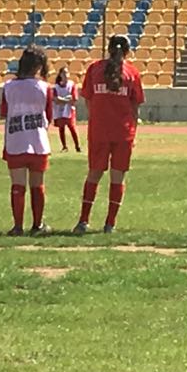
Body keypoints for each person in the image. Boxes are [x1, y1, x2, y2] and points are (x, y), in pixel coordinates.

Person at [75, 35, 145, 235]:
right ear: (128, 51)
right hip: (123, 131)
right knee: (117, 177)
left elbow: (88, 99)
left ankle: (83, 221)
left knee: (94, 174)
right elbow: (135, 105)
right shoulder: (132, 72)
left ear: (108, 49)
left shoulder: (95, 68)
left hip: (99, 130)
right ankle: (110, 224)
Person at [1, 47, 54, 236]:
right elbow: (49, 116)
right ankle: (37, 225)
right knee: (37, 184)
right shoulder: (45, 88)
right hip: (38, 141)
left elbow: (4, 113)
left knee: (17, 184)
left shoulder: (8, 86)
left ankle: (17, 226)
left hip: (16, 139)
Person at [52, 67, 81, 153]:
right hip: (59, 110)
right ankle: (64, 146)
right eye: (63, 73)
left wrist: (62, 100)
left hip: (69, 110)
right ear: (60, 75)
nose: (65, 75)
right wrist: (66, 100)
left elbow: (74, 99)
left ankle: (77, 146)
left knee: (72, 127)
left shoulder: (72, 85)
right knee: (61, 128)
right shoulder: (56, 87)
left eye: (67, 73)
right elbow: (55, 100)